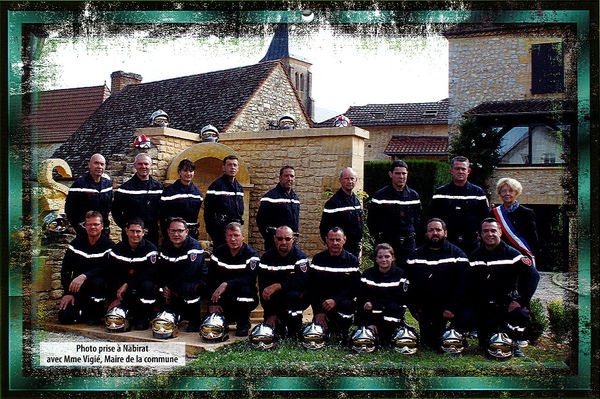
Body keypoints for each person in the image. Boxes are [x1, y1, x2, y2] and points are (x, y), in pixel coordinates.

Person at [469, 218, 540, 357]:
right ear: (480, 235)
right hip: (484, 306)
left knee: (520, 314)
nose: (490, 234)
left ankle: (515, 343)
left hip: (507, 305)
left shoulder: (513, 255)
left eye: (493, 231)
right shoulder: (475, 256)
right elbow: (469, 281)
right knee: (485, 344)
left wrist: (521, 300)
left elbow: (533, 276)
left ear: (500, 233)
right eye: (486, 231)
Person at [405, 218, 472, 349]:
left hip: (451, 307)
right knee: (429, 343)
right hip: (427, 307)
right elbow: (409, 286)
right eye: (431, 230)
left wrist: (451, 308)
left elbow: (464, 285)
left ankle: (456, 330)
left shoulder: (458, 255)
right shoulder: (415, 256)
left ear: (445, 233)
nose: (435, 233)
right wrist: (415, 309)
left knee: (450, 341)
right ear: (426, 233)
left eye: (438, 230)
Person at [58, 211, 115, 324]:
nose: (92, 227)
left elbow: (107, 268)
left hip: (98, 289)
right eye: (89, 224)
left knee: (98, 282)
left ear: (102, 226)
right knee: (65, 318)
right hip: (78, 289)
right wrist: (68, 293)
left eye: (96, 224)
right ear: (85, 226)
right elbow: (66, 269)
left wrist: (85, 276)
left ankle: (95, 313)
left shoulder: (109, 245)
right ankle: (80, 312)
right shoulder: (76, 244)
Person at [309, 227, 361, 342]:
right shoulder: (318, 259)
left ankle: (342, 331)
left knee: (348, 305)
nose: (335, 243)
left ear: (344, 240)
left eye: (338, 240)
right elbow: (312, 288)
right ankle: (325, 326)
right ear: (326, 240)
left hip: (342, 302)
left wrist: (336, 300)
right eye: (332, 240)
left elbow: (355, 287)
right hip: (323, 304)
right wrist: (318, 312)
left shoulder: (352, 260)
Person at [429, 156, 489, 255]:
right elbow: (433, 217)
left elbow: (485, 218)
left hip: (472, 244)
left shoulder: (478, 193)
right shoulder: (440, 193)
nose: (460, 171)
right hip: (447, 243)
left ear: (468, 171)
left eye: (463, 169)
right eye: (457, 169)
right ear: (451, 170)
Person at [207, 222, 259, 337]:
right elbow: (211, 278)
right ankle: (225, 319)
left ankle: (243, 323)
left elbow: (249, 279)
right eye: (229, 236)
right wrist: (212, 303)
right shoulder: (218, 253)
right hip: (224, 297)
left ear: (243, 236)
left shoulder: (251, 255)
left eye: (236, 235)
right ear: (225, 237)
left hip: (243, 296)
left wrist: (227, 284)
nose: (233, 239)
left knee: (246, 291)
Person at [257, 226, 309, 339]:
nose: (283, 242)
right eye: (280, 239)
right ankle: (278, 323)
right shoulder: (266, 258)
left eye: (287, 239)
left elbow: (302, 282)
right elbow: (263, 288)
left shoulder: (300, 258)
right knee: (272, 334)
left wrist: (278, 286)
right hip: (275, 301)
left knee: (294, 295)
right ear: (274, 239)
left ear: (293, 240)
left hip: (294, 299)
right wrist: (270, 313)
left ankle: (294, 328)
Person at [107, 218, 159, 330]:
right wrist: (115, 295)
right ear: (126, 231)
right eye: (132, 231)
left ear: (144, 232)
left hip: (139, 285)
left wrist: (128, 284)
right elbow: (112, 273)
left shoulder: (151, 249)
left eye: (138, 231)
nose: (135, 234)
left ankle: (144, 318)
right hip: (122, 288)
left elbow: (150, 272)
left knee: (147, 286)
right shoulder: (117, 249)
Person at [368, 160, 421, 265]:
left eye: (403, 173)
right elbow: (372, 221)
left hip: (408, 245)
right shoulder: (380, 196)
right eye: (397, 173)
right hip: (387, 245)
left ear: (407, 174)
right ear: (390, 174)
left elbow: (418, 220)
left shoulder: (414, 196)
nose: (401, 176)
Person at [159, 217, 207, 332]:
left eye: (180, 231)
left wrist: (170, 287)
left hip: (196, 281)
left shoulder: (194, 246)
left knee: (188, 287)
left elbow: (191, 272)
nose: (176, 234)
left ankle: (194, 321)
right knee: (159, 288)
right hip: (175, 282)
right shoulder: (166, 247)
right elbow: (162, 269)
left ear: (186, 232)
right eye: (173, 231)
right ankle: (170, 316)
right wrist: (165, 286)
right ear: (168, 232)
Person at [356, 243, 410, 346]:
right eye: (380, 257)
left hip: (391, 314)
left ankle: (388, 336)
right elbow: (362, 299)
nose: (384, 260)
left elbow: (400, 299)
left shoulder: (401, 274)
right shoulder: (368, 274)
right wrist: (369, 323)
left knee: (393, 307)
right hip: (372, 315)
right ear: (376, 259)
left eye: (387, 256)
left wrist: (375, 304)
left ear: (393, 258)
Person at [112, 153, 163, 245]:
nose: (143, 166)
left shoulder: (158, 188)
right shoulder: (125, 189)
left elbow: (163, 210)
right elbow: (116, 212)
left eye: (146, 164)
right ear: (135, 165)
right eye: (140, 164)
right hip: (131, 236)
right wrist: (127, 227)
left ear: (150, 166)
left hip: (152, 235)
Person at [490, 177, 538, 264]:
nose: (507, 194)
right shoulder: (494, 213)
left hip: (520, 256)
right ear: (499, 193)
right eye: (504, 191)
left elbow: (532, 239)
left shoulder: (527, 213)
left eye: (511, 191)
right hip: (500, 256)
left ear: (516, 193)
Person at [319, 167, 363, 257]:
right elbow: (324, 228)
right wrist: (333, 246)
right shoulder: (333, 203)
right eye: (346, 179)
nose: (349, 181)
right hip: (340, 251)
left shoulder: (356, 202)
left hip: (354, 249)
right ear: (340, 180)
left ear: (356, 180)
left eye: (352, 178)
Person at [65, 154, 113, 237]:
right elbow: (70, 210)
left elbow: (108, 206)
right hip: (85, 232)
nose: (99, 167)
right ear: (89, 165)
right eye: (96, 163)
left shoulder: (107, 185)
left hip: (103, 231)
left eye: (102, 164)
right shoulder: (79, 185)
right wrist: (79, 228)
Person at [204, 155, 244, 248]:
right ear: (224, 168)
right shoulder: (216, 186)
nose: (232, 167)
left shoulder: (239, 188)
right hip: (221, 232)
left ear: (238, 168)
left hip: (236, 230)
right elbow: (208, 212)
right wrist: (213, 233)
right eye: (229, 165)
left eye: (235, 165)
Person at [256, 166, 300, 250]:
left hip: (291, 243)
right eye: (286, 176)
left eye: (292, 176)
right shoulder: (270, 197)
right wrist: (271, 238)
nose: (289, 178)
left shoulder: (295, 199)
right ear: (280, 178)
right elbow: (260, 221)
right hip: (274, 244)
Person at [160, 159, 203, 240]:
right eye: (185, 170)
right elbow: (163, 216)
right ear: (180, 172)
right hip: (173, 235)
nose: (188, 173)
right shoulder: (169, 191)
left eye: (191, 171)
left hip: (191, 235)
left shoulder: (197, 193)